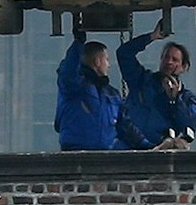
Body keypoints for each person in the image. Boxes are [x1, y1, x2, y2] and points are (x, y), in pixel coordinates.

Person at [117, 20, 196, 148]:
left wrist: (175, 99)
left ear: (184, 67)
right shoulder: (142, 80)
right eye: (166, 57)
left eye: (175, 60)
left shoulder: (186, 98)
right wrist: (152, 37)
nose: (169, 62)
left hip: (158, 151)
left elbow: (190, 126)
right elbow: (124, 53)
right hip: (128, 146)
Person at [55, 22, 138, 150]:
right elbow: (68, 72)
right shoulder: (74, 87)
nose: (109, 65)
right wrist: (78, 45)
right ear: (98, 62)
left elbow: (125, 127)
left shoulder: (112, 94)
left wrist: (148, 146)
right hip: (73, 156)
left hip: (104, 158)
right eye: (107, 59)